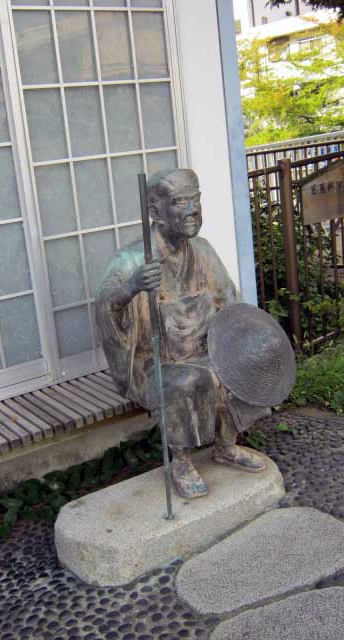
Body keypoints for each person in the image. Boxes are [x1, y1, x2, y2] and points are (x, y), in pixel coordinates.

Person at [95, 168, 271, 499]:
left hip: (206, 347)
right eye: (179, 202)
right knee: (188, 381)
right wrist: (130, 289)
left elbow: (229, 301)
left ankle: (225, 445)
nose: (192, 210)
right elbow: (105, 309)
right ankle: (181, 461)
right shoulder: (132, 259)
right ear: (155, 212)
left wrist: (248, 337)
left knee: (246, 361)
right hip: (156, 360)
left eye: (196, 200)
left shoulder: (202, 250)